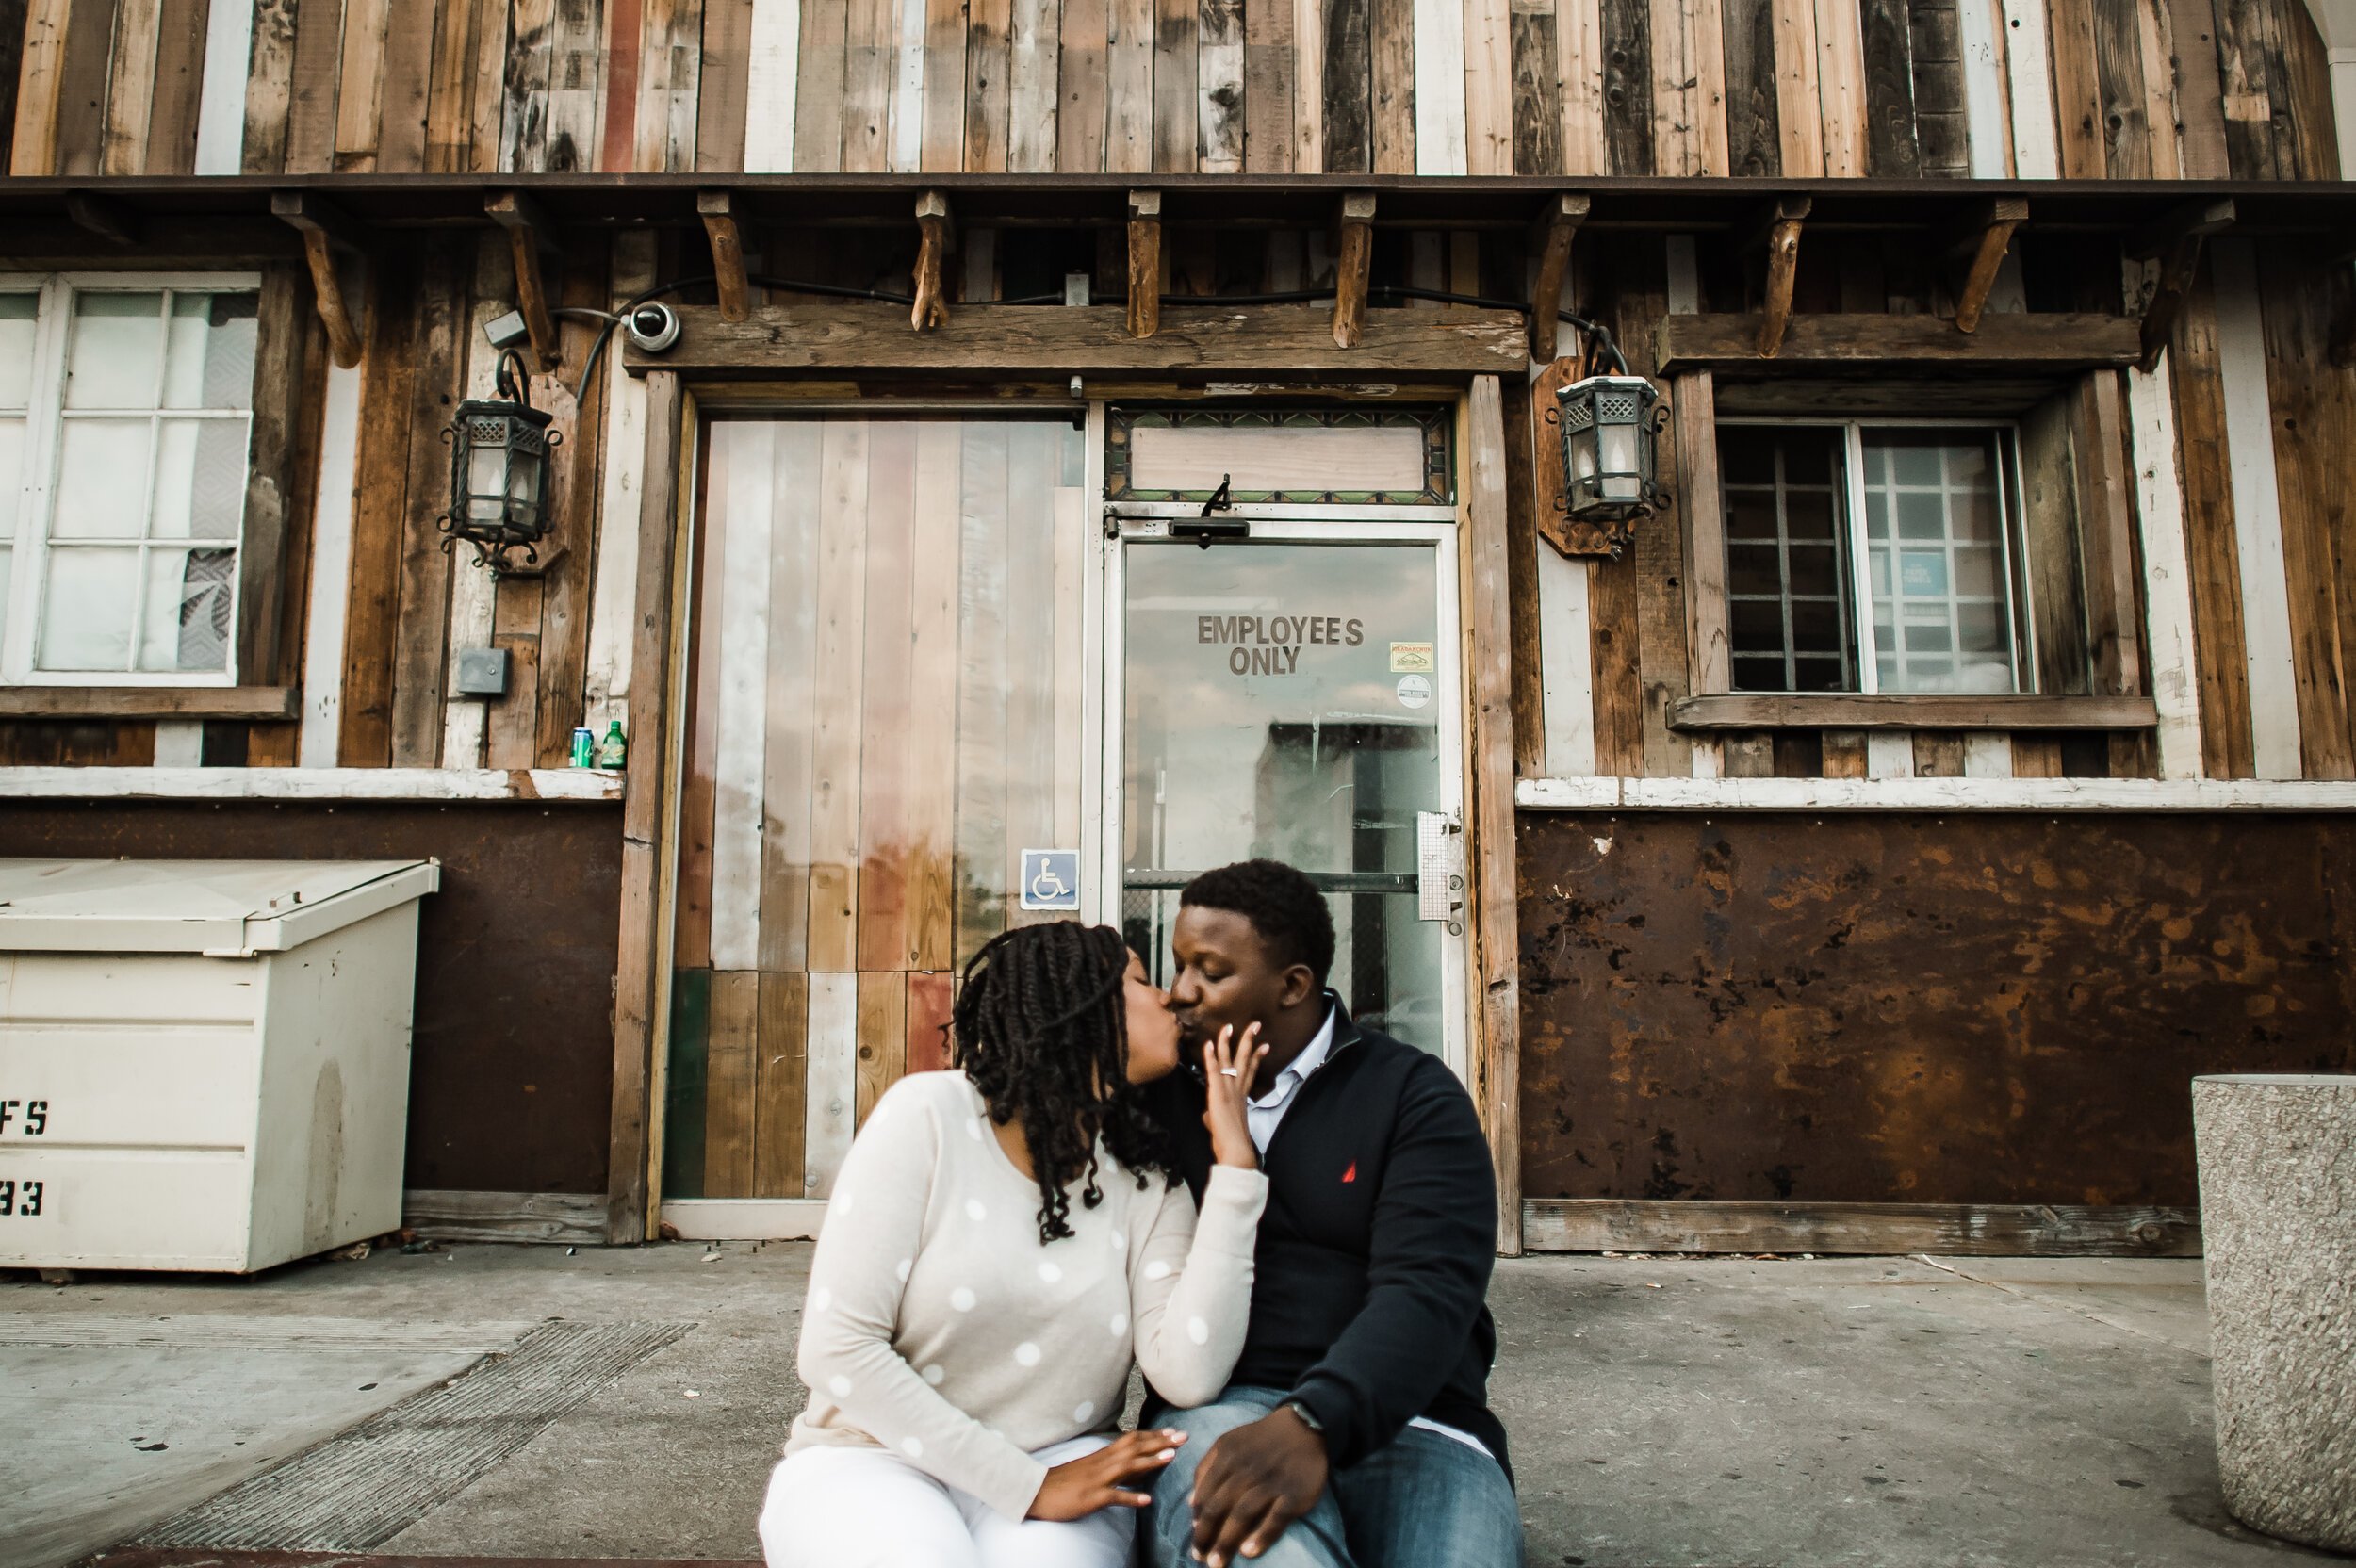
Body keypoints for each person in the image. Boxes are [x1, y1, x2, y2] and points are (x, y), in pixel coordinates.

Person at [758, 920, 1271, 1568]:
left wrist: (1235, 1171)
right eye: (1142, 981)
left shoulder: (1147, 1178)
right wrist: (1023, 1486)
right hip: (872, 1455)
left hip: (1064, 1461)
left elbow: (1189, 1373)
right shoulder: (928, 1117)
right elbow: (837, 1350)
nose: (1169, 998)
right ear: (1078, 1006)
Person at [1139, 859, 1520, 1568]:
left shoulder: (1411, 1095)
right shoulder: (1159, 1100)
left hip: (1420, 1419)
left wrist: (1315, 1422)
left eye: (1210, 971)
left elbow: (1430, 1290)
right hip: (1219, 1411)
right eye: (1177, 965)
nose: (1180, 993)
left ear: (1293, 985)